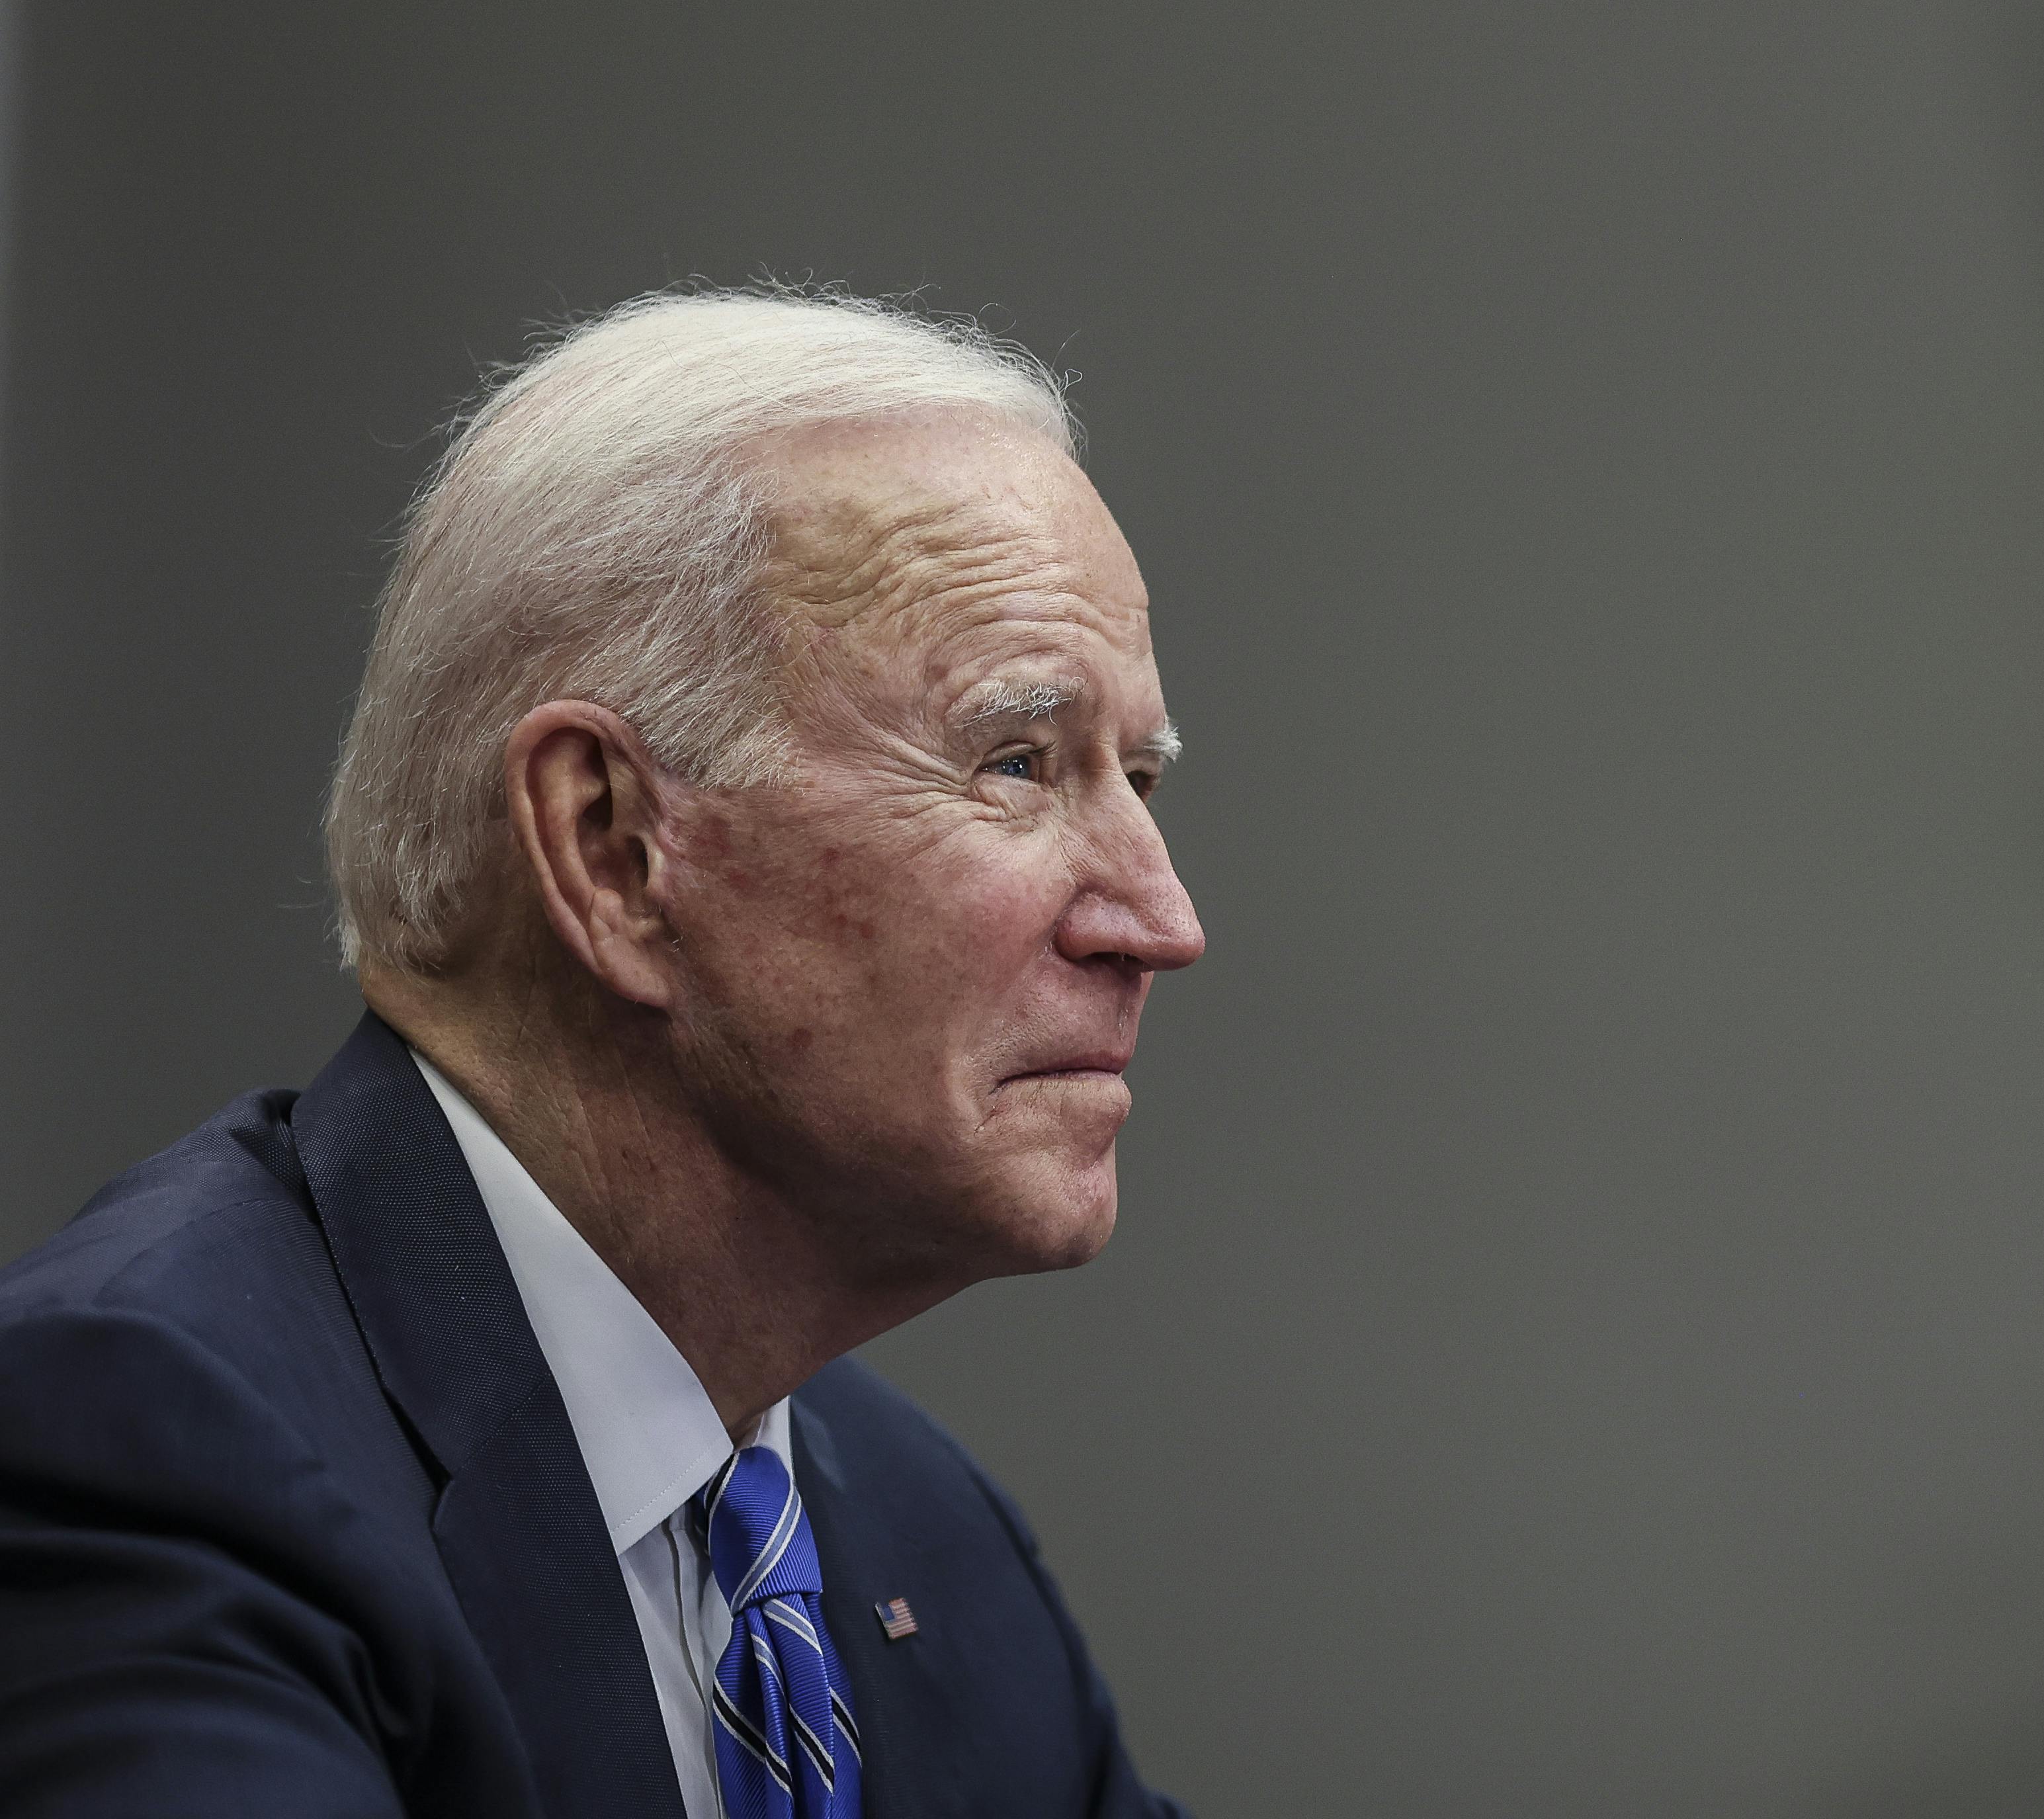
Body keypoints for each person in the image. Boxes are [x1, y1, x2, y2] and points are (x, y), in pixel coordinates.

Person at [0, 289, 1207, 1818]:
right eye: (1018, 765)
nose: (1159, 919)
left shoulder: (923, 1537)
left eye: (1143, 778)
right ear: (614, 847)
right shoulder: (142, 1453)